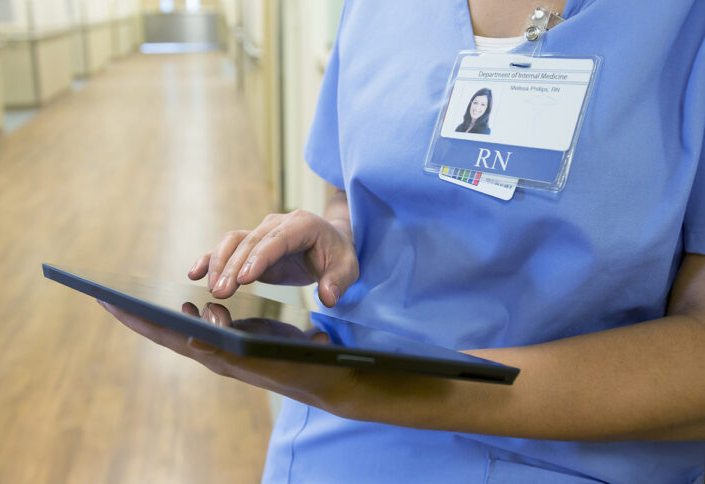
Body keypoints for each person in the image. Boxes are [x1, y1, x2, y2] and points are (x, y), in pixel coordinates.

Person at [100, 0, 705, 482]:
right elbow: (349, 191)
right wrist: (337, 235)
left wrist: (388, 389)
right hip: (334, 442)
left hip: (570, 459)